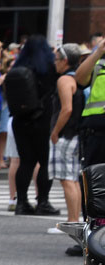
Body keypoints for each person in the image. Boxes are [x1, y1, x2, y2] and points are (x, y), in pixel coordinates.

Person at [7, 35, 59, 215]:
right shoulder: (48, 69)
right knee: (44, 162)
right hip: (43, 119)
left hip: (19, 120)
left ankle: (21, 202)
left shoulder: (17, 68)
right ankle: (42, 201)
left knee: (25, 161)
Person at [50, 44, 85, 249]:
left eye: (56, 59)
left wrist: (55, 131)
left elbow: (67, 109)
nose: (54, 63)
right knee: (74, 180)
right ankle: (75, 220)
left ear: (64, 60)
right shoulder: (80, 78)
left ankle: (72, 222)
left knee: (67, 179)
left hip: (66, 135)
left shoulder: (64, 80)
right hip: (78, 134)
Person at [74, 34, 105, 169]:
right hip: (96, 133)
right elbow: (79, 79)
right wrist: (97, 52)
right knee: (94, 177)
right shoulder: (99, 61)